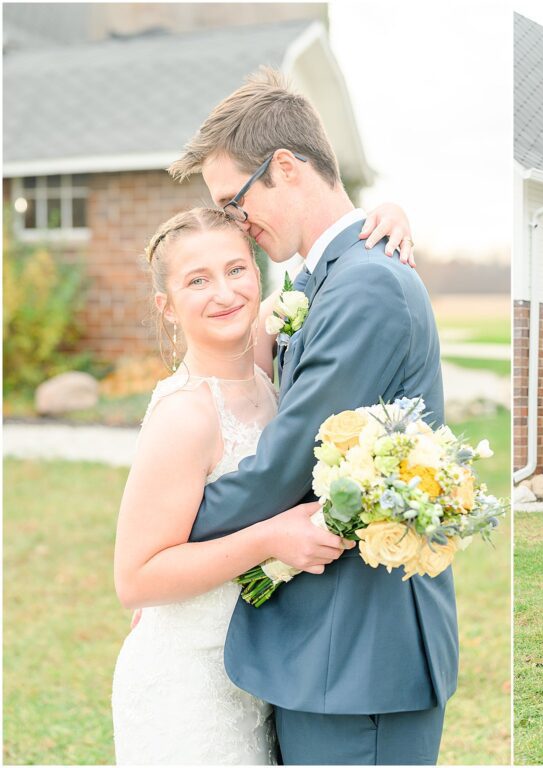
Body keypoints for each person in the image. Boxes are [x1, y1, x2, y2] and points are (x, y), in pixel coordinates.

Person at [166, 67, 456, 765]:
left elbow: (291, 460)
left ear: (286, 167)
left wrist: (167, 539)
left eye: (235, 203)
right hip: (328, 652)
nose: (239, 223)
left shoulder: (364, 287)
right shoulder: (326, 279)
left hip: (362, 658)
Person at [111, 202, 414, 764]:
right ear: (167, 306)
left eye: (236, 269)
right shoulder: (184, 415)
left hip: (256, 673)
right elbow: (134, 579)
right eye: (197, 280)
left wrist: (386, 217)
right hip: (188, 688)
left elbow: (331, 261)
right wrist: (270, 539)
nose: (224, 292)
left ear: (257, 272)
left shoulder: (263, 363)